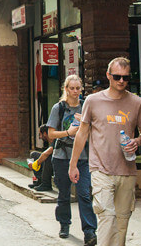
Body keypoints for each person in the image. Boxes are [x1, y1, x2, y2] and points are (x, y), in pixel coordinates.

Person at [69, 57, 141, 246]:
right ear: (108, 76)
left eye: (125, 77)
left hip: (127, 170)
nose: (121, 81)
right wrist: (73, 164)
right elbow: (82, 134)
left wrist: (137, 141)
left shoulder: (137, 102)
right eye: (117, 77)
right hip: (100, 169)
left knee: (122, 221)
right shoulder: (92, 101)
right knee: (107, 217)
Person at [46, 74, 96, 244]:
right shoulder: (58, 108)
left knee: (84, 194)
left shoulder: (86, 107)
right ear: (66, 89)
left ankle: (89, 231)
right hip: (61, 156)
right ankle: (64, 224)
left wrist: (84, 125)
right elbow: (51, 134)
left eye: (78, 88)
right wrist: (69, 132)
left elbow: (95, 131)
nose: (75, 92)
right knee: (64, 194)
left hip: (82, 157)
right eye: (72, 88)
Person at [28, 125, 53, 190]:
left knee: (47, 157)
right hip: (51, 164)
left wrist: (35, 164)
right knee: (34, 154)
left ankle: (46, 184)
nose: (40, 137)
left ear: (45, 133)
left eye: (40, 134)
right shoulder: (50, 141)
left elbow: (46, 154)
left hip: (57, 165)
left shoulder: (55, 140)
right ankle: (40, 180)